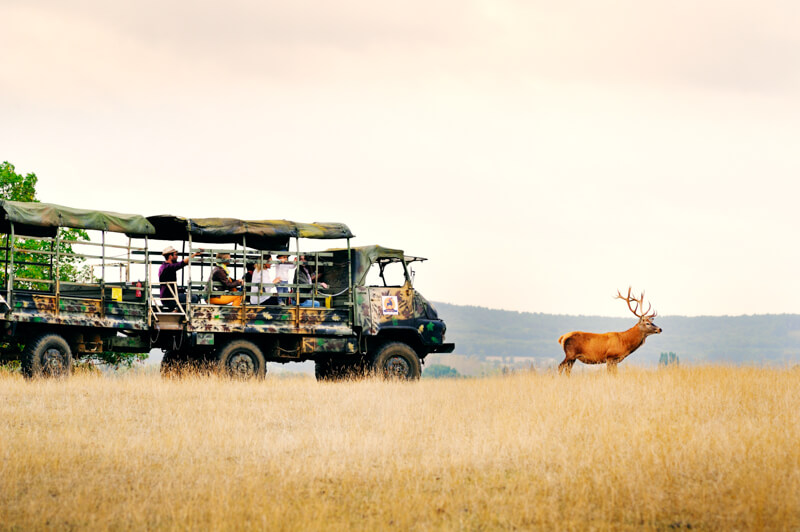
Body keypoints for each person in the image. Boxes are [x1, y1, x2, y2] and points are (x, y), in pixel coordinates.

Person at [158, 245, 203, 310]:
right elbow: (182, 263)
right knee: (194, 298)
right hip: (170, 298)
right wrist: (195, 254)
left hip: (168, 297)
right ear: (170, 256)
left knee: (189, 297)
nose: (177, 257)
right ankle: (178, 311)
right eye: (175, 255)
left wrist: (178, 289)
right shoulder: (168, 267)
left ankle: (178, 310)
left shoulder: (164, 267)